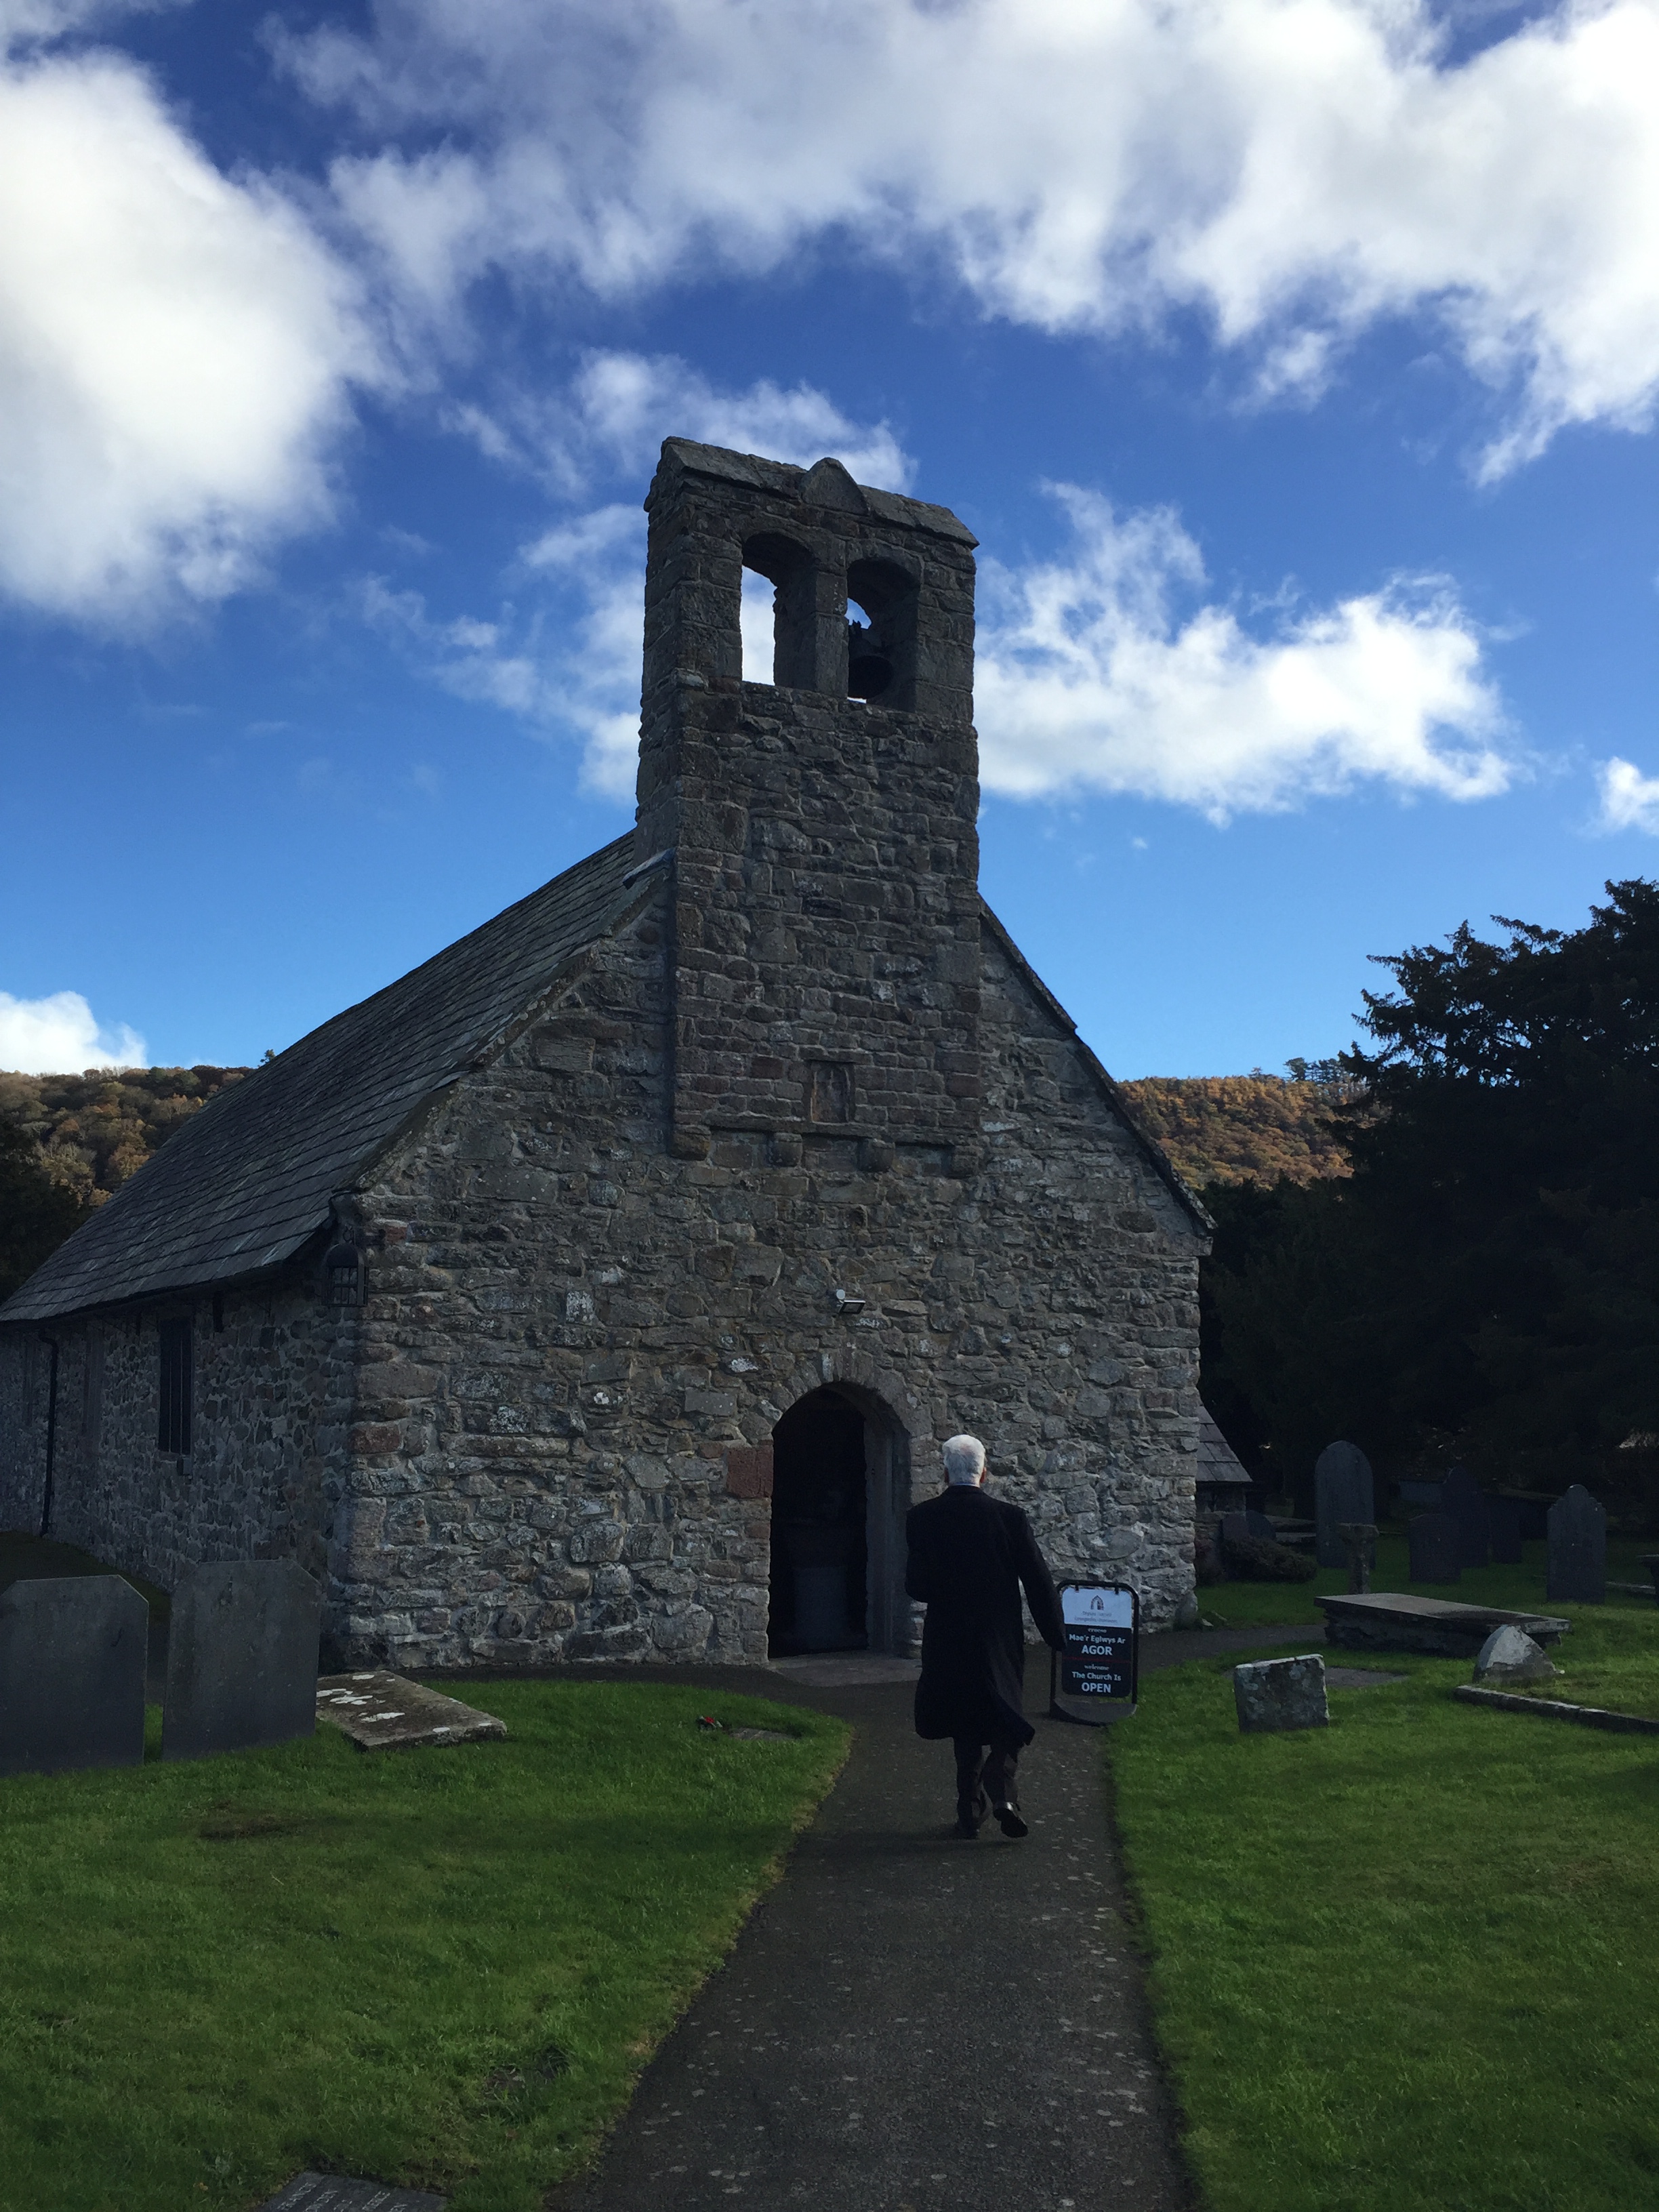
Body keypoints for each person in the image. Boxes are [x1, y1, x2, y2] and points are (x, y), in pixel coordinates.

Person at [905, 1433, 1065, 1839]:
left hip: (949, 1634)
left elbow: (916, 1586)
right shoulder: (1010, 1518)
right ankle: (1002, 1784)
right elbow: (1038, 1582)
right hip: (999, 1635)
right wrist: (1056, 1634)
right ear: (984, 1472)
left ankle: (969, 1809)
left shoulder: (923, 1518)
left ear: (945, 1473)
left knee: (964, 1719)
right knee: (1005, 1708)